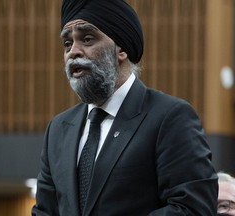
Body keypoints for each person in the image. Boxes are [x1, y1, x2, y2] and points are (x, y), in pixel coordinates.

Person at [32, 0, 218, 215]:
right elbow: (45, 211)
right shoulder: (58, 129)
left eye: (87, 39)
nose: (73, 51)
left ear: (121, 49)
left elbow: (193, 208)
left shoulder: (170, 117)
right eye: (67, 44)